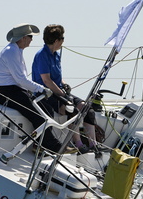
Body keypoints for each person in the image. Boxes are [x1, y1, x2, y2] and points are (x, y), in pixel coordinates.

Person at [0, 23, 68, 153]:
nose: (32, 40)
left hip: (15, 90)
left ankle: (39, 145)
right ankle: (54, 146)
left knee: (48, 111)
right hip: (8, 92)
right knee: (38, 116)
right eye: (30, 36)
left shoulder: (16, 50)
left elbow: (21, 81)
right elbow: (21, 80)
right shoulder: (11, 51)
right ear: (23, 38)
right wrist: (42, 89)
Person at [32, 24, 98, 153]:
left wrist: (64, 83)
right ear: (56, 41)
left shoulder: (56, 55)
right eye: (62, 38)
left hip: (59, 91)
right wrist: (61, 93)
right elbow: (46, 80)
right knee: (70, 109)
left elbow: (57, 78)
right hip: (47, 93)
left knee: (87, 109)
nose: (63, 41)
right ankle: (78, 144)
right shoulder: (42, 55)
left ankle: (93, 144)